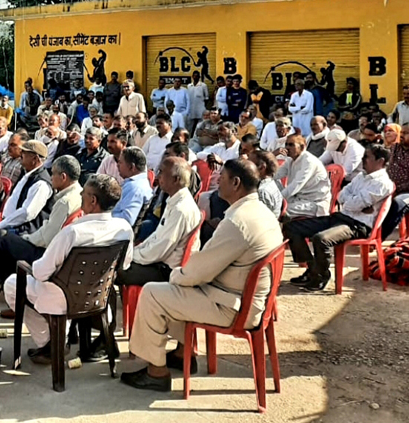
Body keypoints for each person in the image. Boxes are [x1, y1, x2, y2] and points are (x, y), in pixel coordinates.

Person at [122, 159, 283, 392]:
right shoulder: (260, 212)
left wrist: (176, 276)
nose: (218, 183)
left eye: (223, 179)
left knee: (154, 293)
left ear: (236, 183)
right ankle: (180, 353)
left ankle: (156, 372)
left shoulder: (238, 222)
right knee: (176, 289)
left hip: (234, 307)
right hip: (247, 301)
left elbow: (198, 271)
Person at [4, 174, 133, 363]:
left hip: (63, 298)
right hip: (97, 297)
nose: (80, 193)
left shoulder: (73, 232)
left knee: (12, 284)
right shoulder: (124, 229)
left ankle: (50, 343)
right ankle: (58, 336)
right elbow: (125, 264)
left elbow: (41, 273)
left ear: (93, 200)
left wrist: (32, 266)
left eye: (85, 192)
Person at [284, 144, 394, 291]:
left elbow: (353, 203)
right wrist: (355, 202)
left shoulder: (382, 183)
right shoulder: (361, 176)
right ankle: (313, 269)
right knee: (291, 227)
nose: (363, 160)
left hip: (357, 225)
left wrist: (352, 201)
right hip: (340, 217)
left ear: (380, 161)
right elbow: (341, 195)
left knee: (322, 239)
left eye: (367, 157)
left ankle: (321, 275)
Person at [0, 156, 83, 306]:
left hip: (48, 254)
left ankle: (15, 299)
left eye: (53, 174)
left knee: (2, 238)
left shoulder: (64, 202)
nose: (51, 177)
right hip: (59, 249)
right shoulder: (79, 193)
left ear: (63, 177)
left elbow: (46, 238)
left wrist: (27, 239)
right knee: (9, 237)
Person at [115, 157, 201, 288]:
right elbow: (157, 237)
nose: (158, 176)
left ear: (176, 179)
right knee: (115, 261)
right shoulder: (175, 200)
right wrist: (132, 252)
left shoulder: (181, 209)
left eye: (161, 172)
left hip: (166, 270)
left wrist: (132, 256)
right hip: (158, 260)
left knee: (112, 270)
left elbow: (159, 250)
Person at [0, 141, 54, 237]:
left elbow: (26, 213)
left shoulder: (41, 184)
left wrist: (0, 226)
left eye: (24, 153)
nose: (20, 154)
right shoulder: (26, 174)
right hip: (9, 225)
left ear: (35, 158)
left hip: (23, 232)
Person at [275, 134, 332, 218]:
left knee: (280, 210)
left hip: (314, 202)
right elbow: (276, 174)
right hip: (297, 198)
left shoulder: (308, 161)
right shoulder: (290, 159)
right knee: (271, 181)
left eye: (291, 145)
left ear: (301, 147)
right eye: (286, 144)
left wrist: (276, 200)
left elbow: (296, 185)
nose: (287, 148)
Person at [196, 121, 241, 191]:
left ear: (233, 131)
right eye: (218, 130)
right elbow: (199, 155)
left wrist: (221, 162)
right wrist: (211, 157)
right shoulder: (219, 146)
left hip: (228, 186)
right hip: (212, 183)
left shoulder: (240, 148)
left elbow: (237, 168)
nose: (219, 133)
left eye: (222, 130)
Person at [115, 146, 154, 225]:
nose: (117, 165)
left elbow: (127, 219)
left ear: (131, 167)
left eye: (120, 162)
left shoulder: (135, 188)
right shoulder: (136, 183)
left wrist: (104, 217)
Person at [248, 150, 284, 216]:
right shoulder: (273, 182)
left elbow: (261, 219)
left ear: (261, 168)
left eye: (249, 165)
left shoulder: (262, 191)